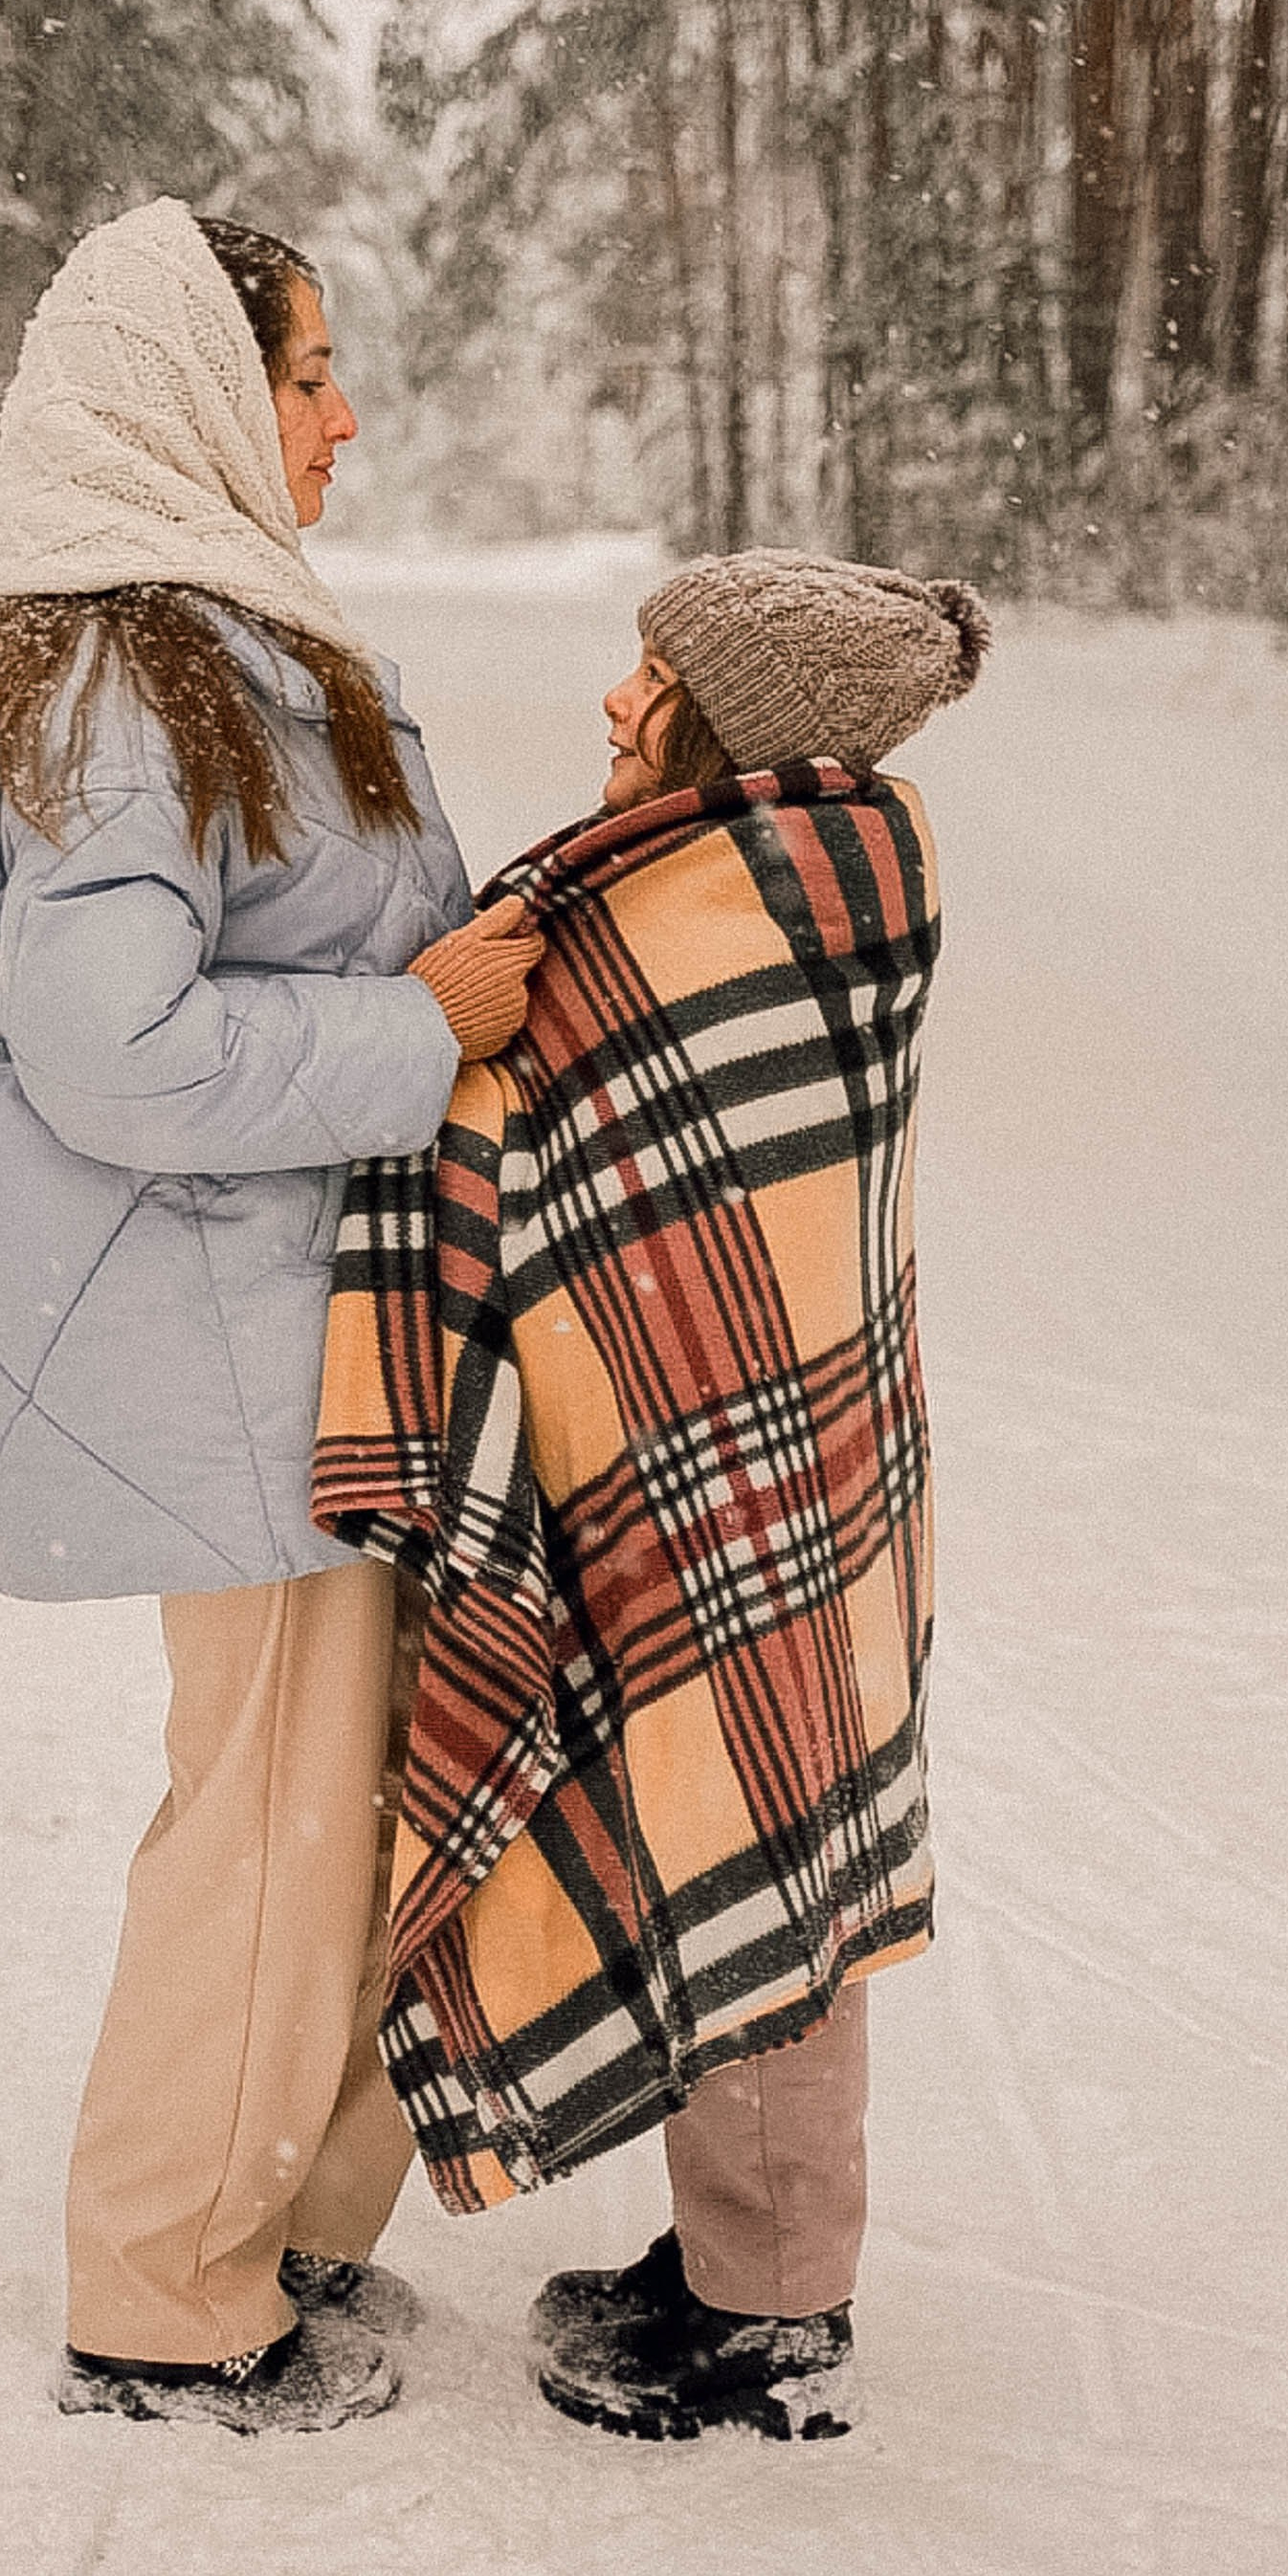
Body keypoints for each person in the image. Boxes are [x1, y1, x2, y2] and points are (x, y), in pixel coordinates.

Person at [0, 198, 543, 2433]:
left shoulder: (201, 640)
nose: (340, 415)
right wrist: (414, 1030)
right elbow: (113, 1051)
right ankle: (164, 2293)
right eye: (300, 375)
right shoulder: (117, 671)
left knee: (338, 1804)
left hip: (294, 1332)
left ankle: (269, 2222)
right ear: (189, 393)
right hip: (216, 1343)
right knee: (269, 1815)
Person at [313, 548, 986, 2442]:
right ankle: (748, 2260)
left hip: (726, 1451)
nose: (619, 704)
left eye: (653, 681)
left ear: (734, 729)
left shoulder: (702, 910)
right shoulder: (836, 865)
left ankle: (768, 2313)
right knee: (756, 1810)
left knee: (741, 1806)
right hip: (794, 1450)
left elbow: (535, 1129)